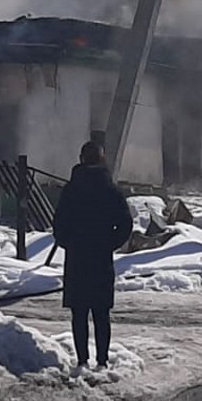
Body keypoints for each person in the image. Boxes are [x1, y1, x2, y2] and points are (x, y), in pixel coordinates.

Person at [52, 141, 133, 371]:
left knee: (79, 312)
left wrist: (69, 243)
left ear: (81, 159)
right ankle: (102, 361)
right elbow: (125, 223)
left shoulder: (71, 189)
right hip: (100, 258)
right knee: (101, 312)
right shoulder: (110, 189)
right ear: (101, 159)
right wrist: (110, 243)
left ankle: (81, 361)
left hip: (77, 259)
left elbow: (59, 223)